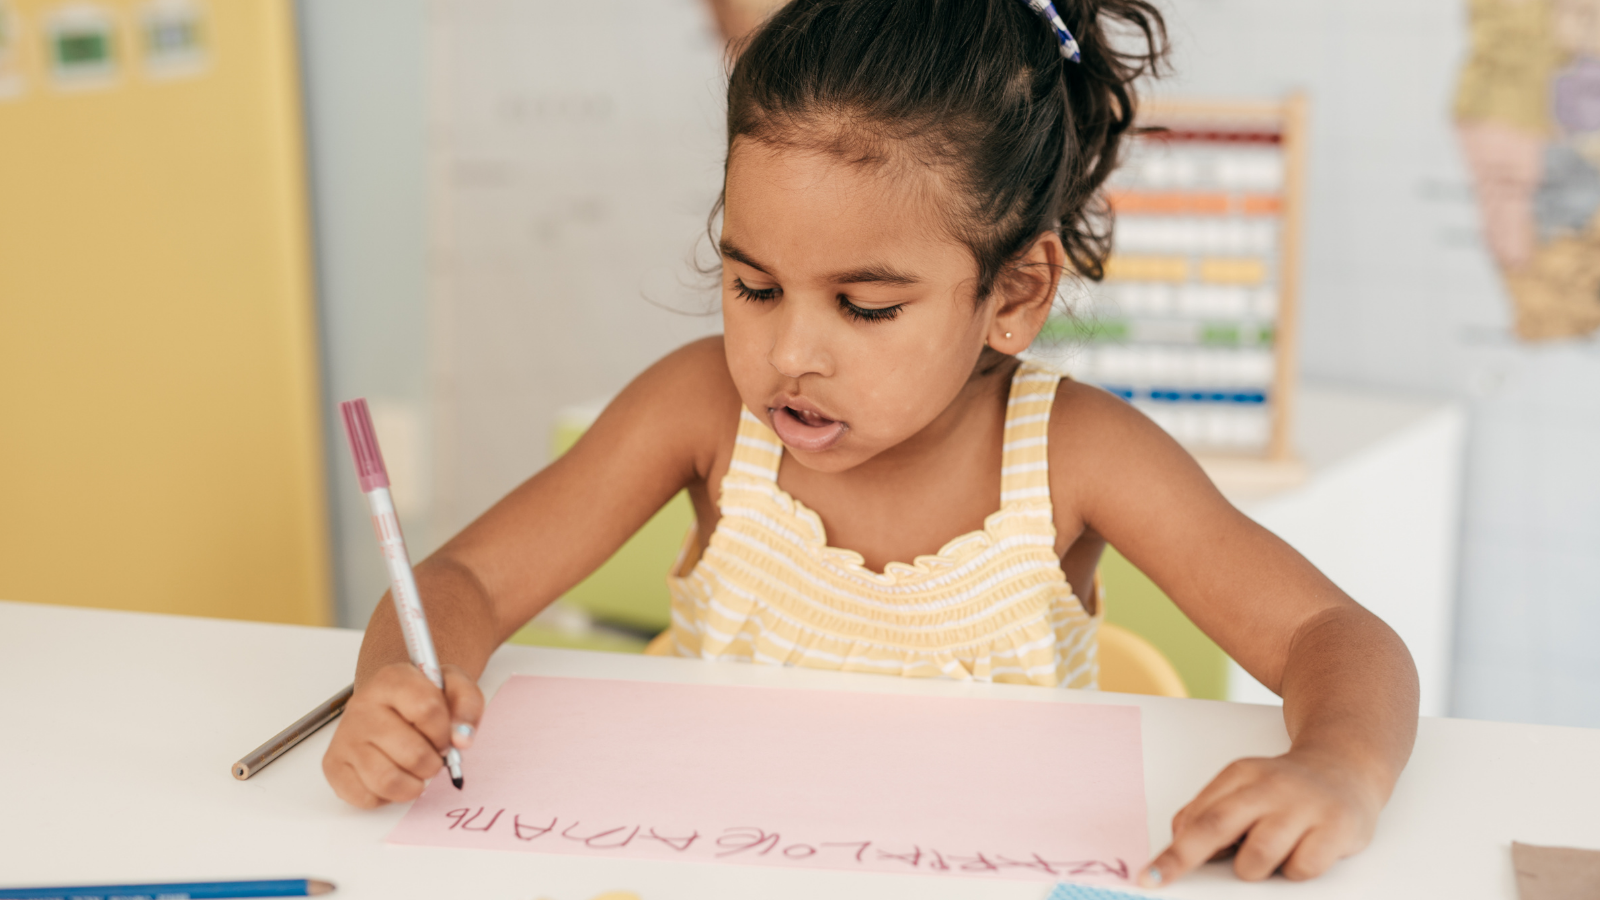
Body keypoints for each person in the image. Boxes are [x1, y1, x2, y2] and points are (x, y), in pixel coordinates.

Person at [322, 0, 1420, 887]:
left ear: (1014, 291)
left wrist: (1336, 765)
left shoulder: (1077, 454)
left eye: (864, 306)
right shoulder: (700, 412)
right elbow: (460, 577)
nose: (790, 353)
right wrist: (399, 686)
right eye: (753, 285)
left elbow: (1333, 634)